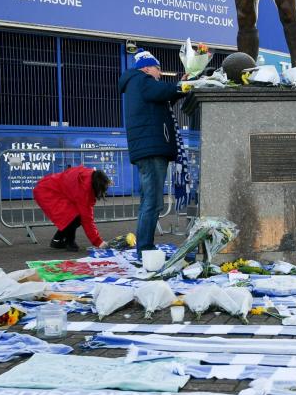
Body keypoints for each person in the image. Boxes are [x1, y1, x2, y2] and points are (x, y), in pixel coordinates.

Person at [119, 50, 186, 259]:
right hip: (152, 149)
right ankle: (145, 249)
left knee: (149, 200)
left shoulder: (138, 84)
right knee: (153, 202)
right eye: (158, 69)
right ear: (147, 67)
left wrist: (179, 87)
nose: (159, 73)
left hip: (148, 148)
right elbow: (163, 91)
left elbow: (163, 96)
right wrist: (183, 85)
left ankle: (144, 247)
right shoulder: (142, 80)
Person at [33, 168, 111, 251]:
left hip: (49, 187)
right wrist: (98, 242)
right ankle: (69, 242)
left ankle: (57, 241)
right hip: (48, 192)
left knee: (73, 216)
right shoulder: (84, 191)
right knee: (73, 216)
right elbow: (87, 219)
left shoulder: (87, 177)